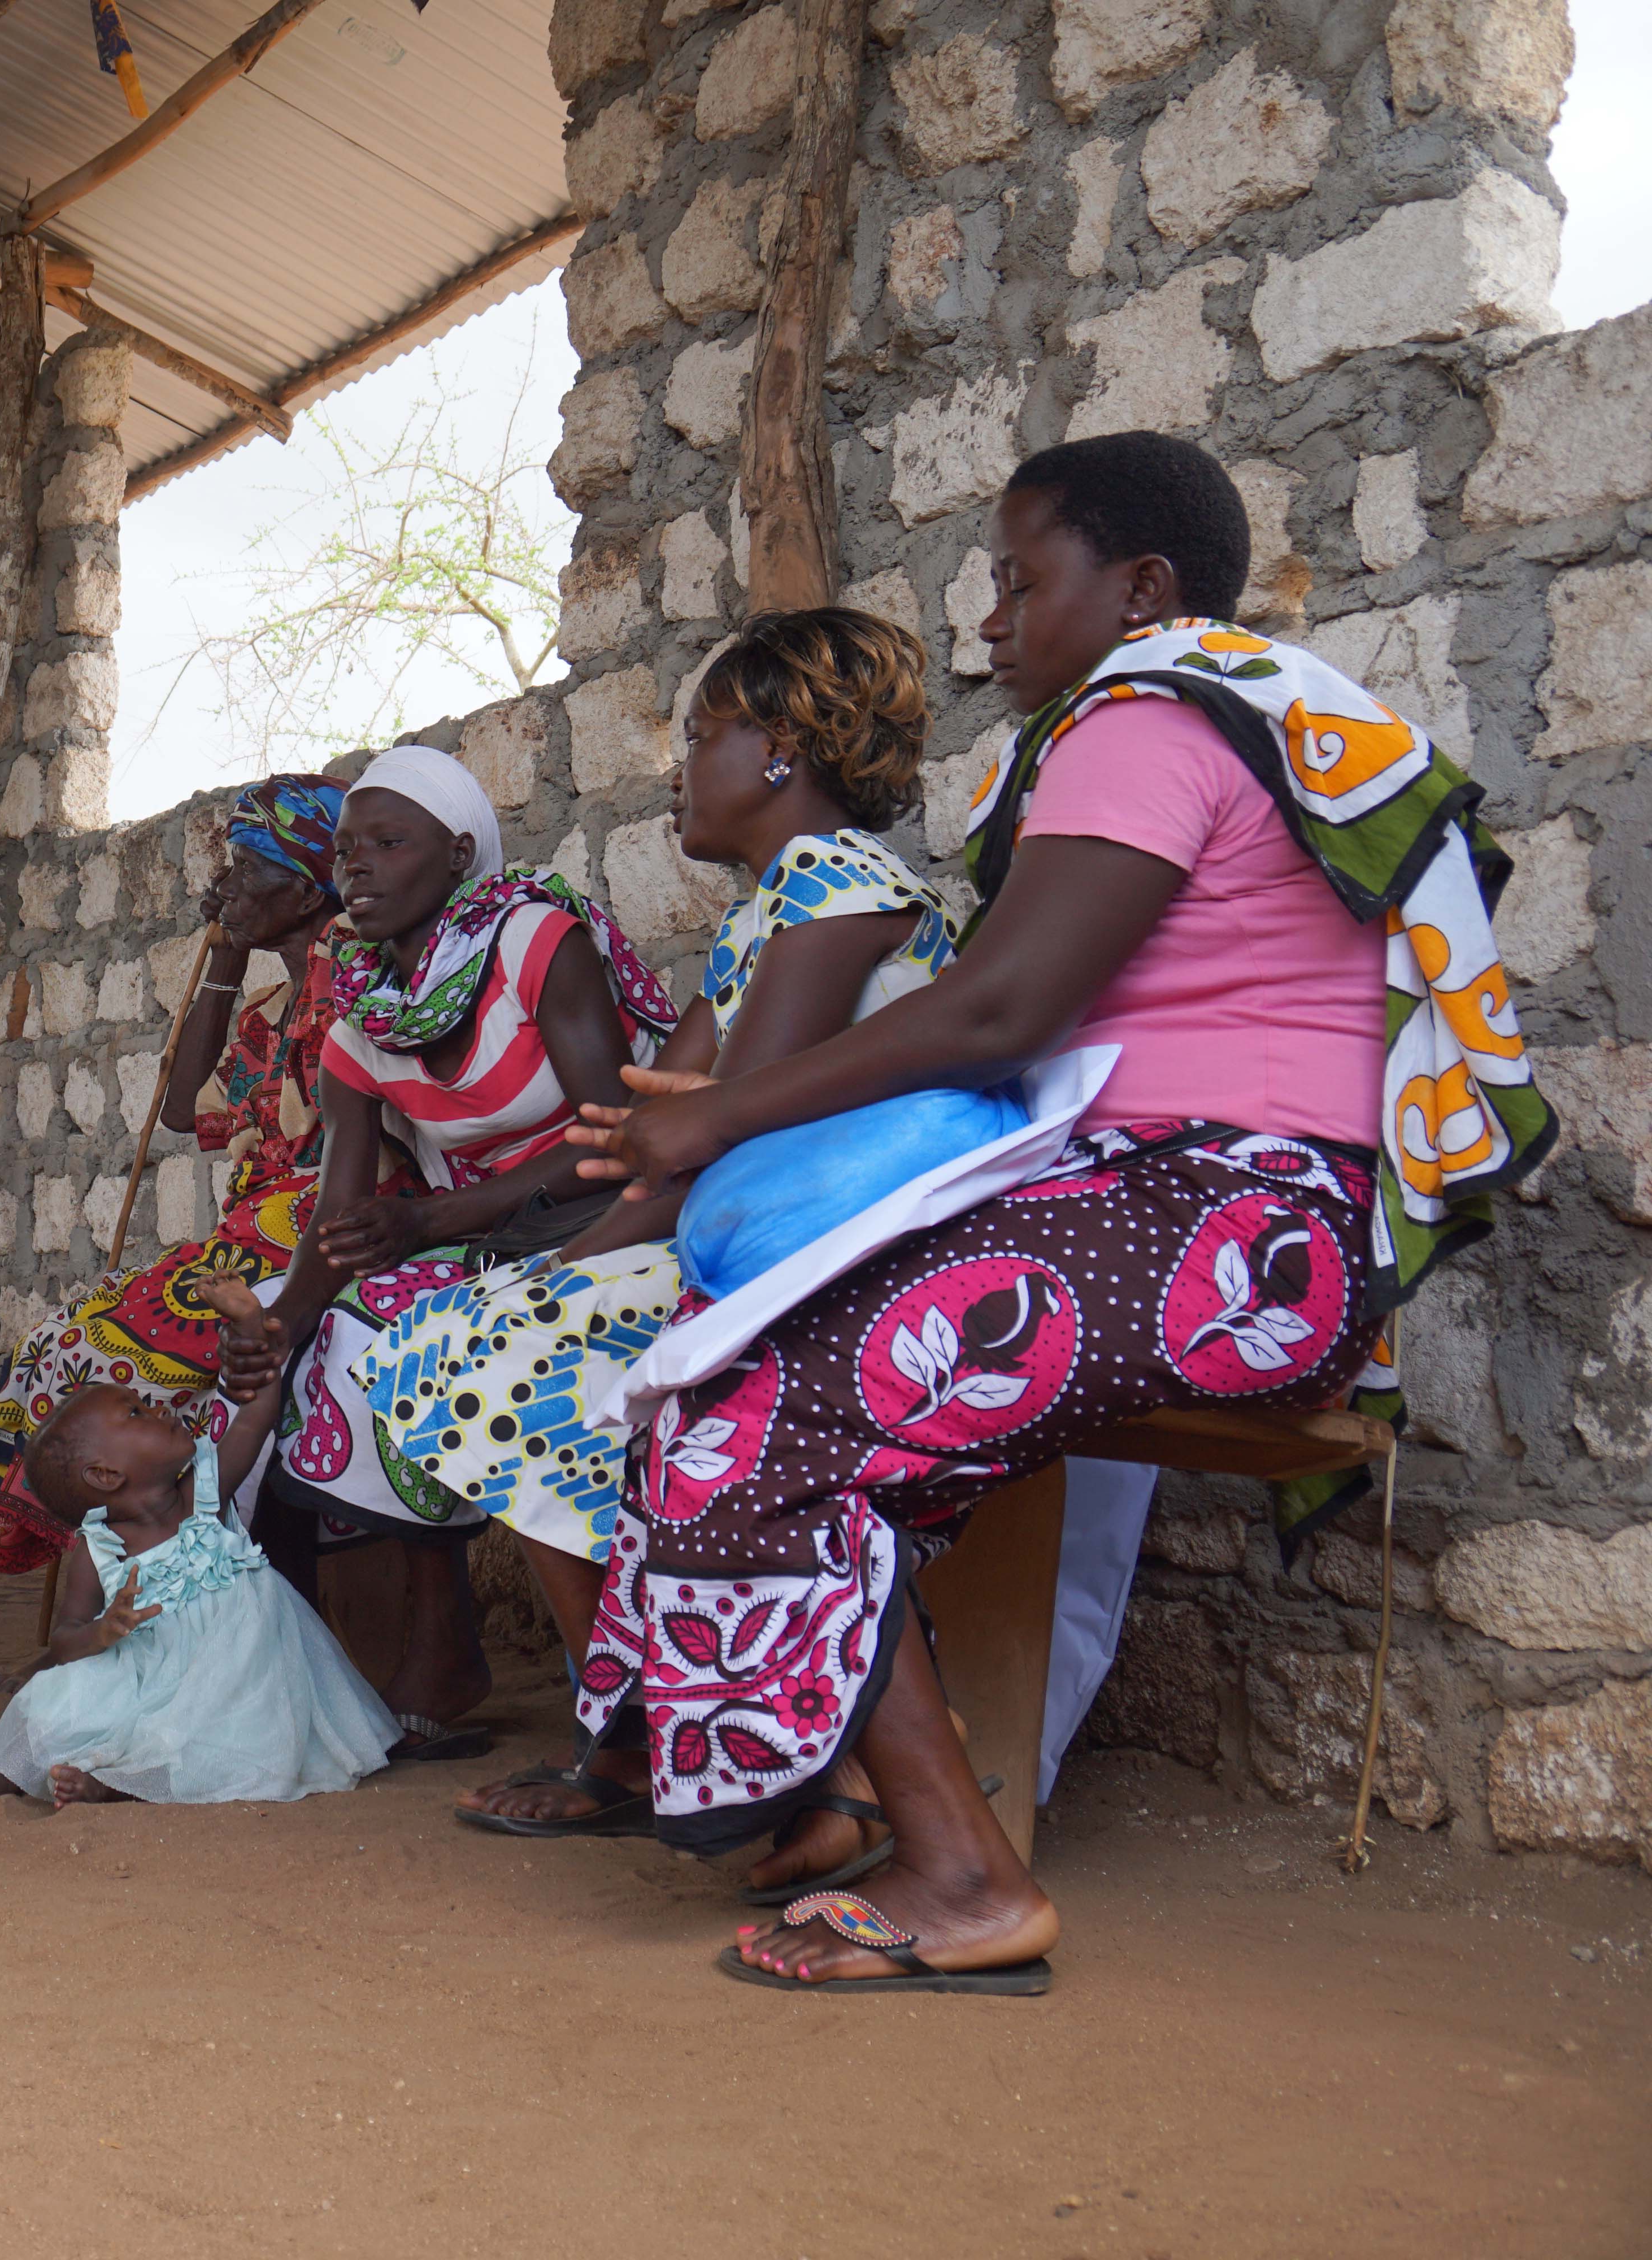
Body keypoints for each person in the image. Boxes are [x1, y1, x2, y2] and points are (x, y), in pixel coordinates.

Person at [555, 432, 1548, 1991]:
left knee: (753, 1410)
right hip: (1222, 1224)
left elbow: (999, 1011)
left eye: (1021, 582)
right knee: (742, 1389)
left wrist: (733, 1113)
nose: (991, 625)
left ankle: (957, 1876)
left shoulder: (1146, 715)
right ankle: (872, 1797)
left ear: (1140, 588)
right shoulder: (1209, 715)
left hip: (1235, 1225)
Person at [364, 612, 953, 1879]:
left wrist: (613, 1212)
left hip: (850, 1256)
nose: (680, 767)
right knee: (469, 1337)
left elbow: (723, 1124)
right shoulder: (763, 918)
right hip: (763, 1238)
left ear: (784, 750)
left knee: (504, 1351)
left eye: (702, 736)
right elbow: (653, 1131)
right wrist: (565, 1259)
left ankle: (720, 1747)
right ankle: (633, 1728)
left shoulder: (843, 885)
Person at [247, 744, 676, 1759]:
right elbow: (344, 1212)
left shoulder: (534, 940)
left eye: (389, 845)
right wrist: (276, 1324)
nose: (358, 870)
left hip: (618, 1215)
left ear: (457, 856)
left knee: (412, 1336)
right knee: (317, 1346)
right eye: (347, 851)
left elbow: (615, 1140)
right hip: (491, 1240)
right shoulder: (362, 1017)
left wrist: (432, 1223)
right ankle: (400, 1647)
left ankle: (511, 1676)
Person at [0, 776, 410, 1574]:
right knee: (53, 1353)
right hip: (252, 1233)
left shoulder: (359, 975)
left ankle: (157, 1583)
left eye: (245, 866)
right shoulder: (265, 1015)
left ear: (310, 891)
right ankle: (128, 1590)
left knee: (93, 1359)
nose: (223, 885)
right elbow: (181, 1111)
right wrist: (227, 960)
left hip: (330, 1222)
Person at [0, 1283, 397, 1810]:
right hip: (141, 1680)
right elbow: (66, 1638)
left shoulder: (206, 1492)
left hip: (235, 1678)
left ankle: (115, 1785)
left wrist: (252, 1323)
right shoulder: (100, 1550)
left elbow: (257, 1413)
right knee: (53, 1703)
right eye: (137, 1414)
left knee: (225, 1737)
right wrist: (103, 1630)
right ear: (106, 1474)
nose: (160, 1409)